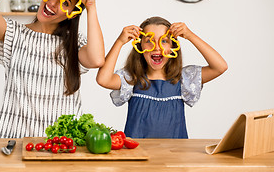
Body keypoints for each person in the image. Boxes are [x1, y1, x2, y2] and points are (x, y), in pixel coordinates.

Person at [0, 0, 105, 138]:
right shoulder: (14, 33)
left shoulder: (74, 44)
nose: (53, 2)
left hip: (61, 145)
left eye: (66, 3)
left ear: (72, 14)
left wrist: (91, 6)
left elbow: (97, 60)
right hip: (15, 141)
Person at [96, 16, 227, 138]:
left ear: (172, 47)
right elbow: (103, 79)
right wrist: (119, 42)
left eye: (164, 41)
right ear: (139, 46)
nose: (156, 47)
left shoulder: (184, 79)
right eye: (149, 41)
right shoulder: (131, 78)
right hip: (137, 155)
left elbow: (220, 66)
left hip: (174, 156)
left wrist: (190, 36)